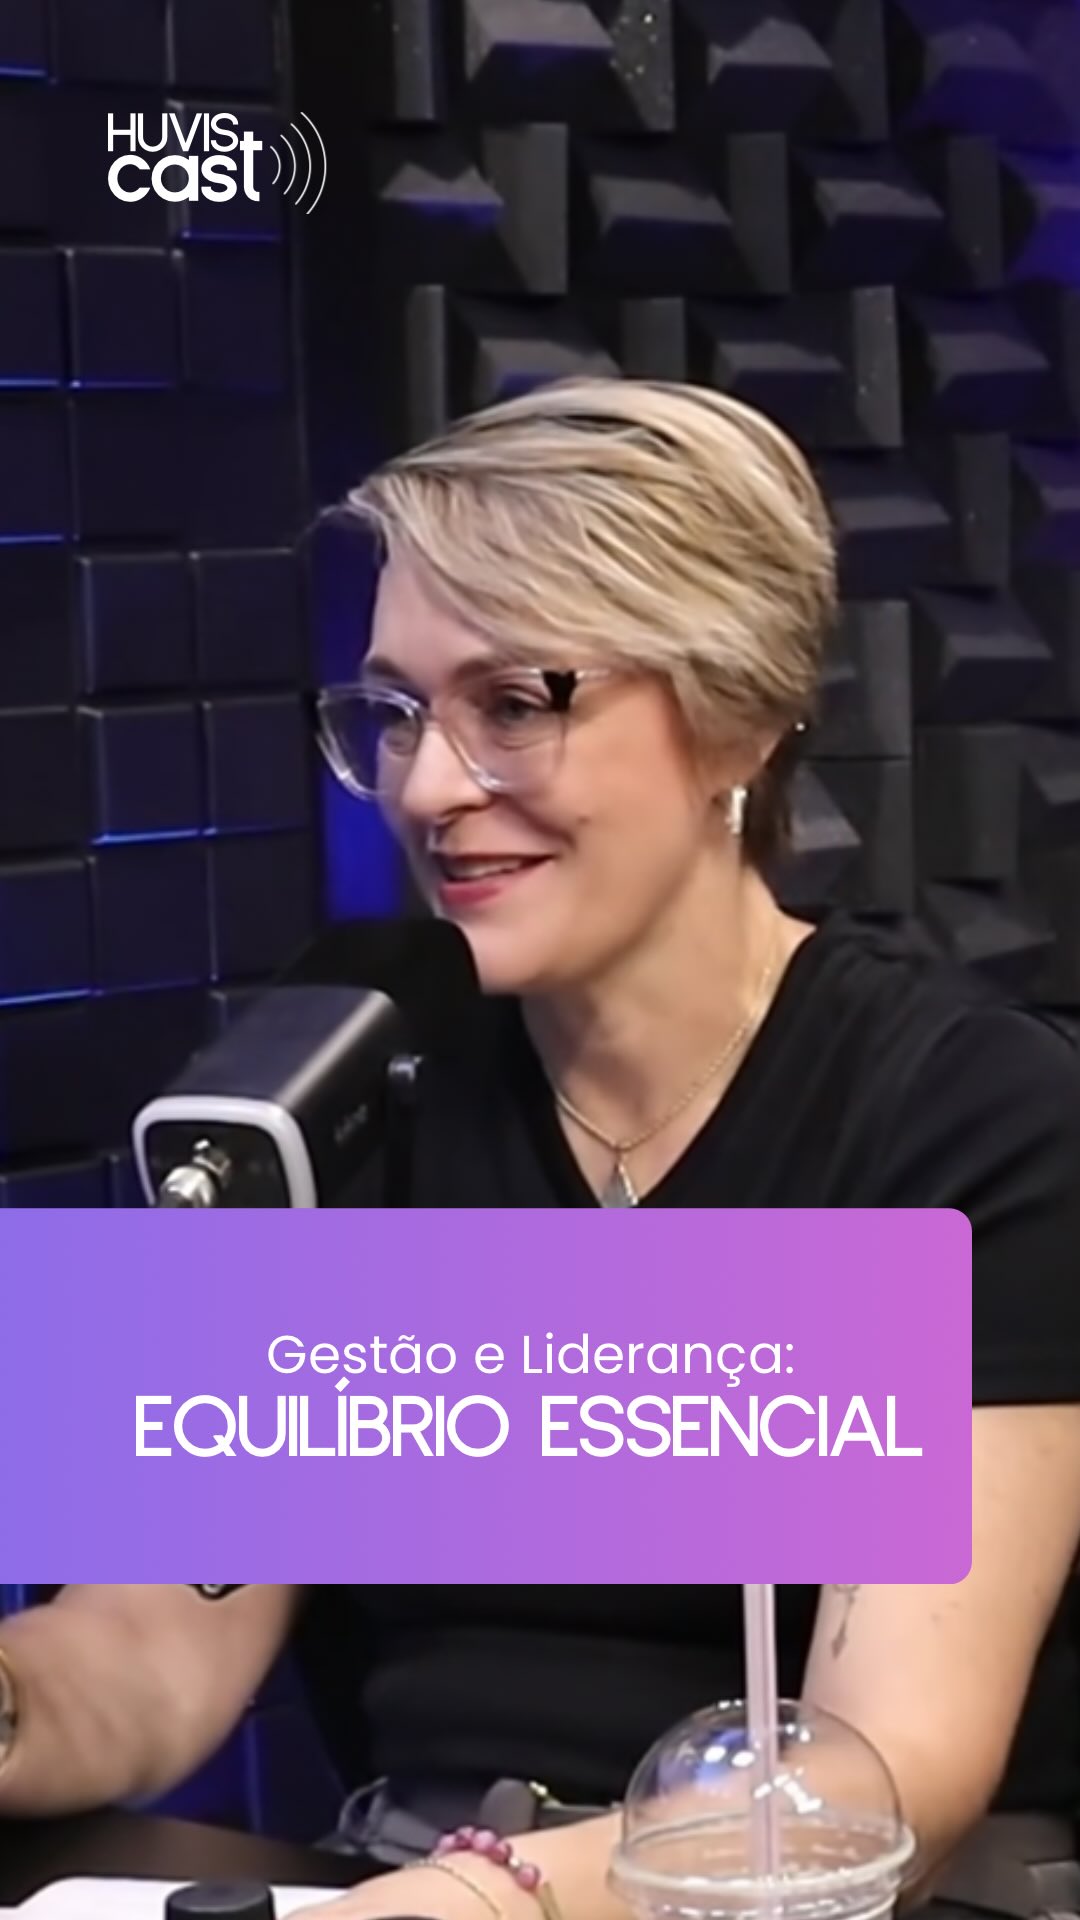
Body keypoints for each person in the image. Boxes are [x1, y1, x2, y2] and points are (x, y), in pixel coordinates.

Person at [4, 383, 1079, 1916]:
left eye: (515, 703)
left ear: (738, 715)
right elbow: (150, 1645)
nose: (429, 787)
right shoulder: (335, 1079)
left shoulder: (964, 1114)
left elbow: (884, 1770)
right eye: (393, 713)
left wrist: (488, 1900)